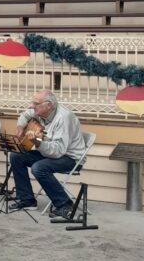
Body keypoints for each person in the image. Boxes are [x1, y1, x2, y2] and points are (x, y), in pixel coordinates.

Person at [9, 89, 86, 219]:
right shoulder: (40, 111)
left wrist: (37, 142)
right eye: (33, 103)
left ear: (49, 105)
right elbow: (25, 114)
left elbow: (57, 152)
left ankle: (65, 205)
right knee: (16, 156)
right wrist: (20, 126)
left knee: (39, 167)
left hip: (70, 157)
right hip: (50, 151)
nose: (32, 106)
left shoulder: (63, 118)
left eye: (36, 103)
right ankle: (27, 200)